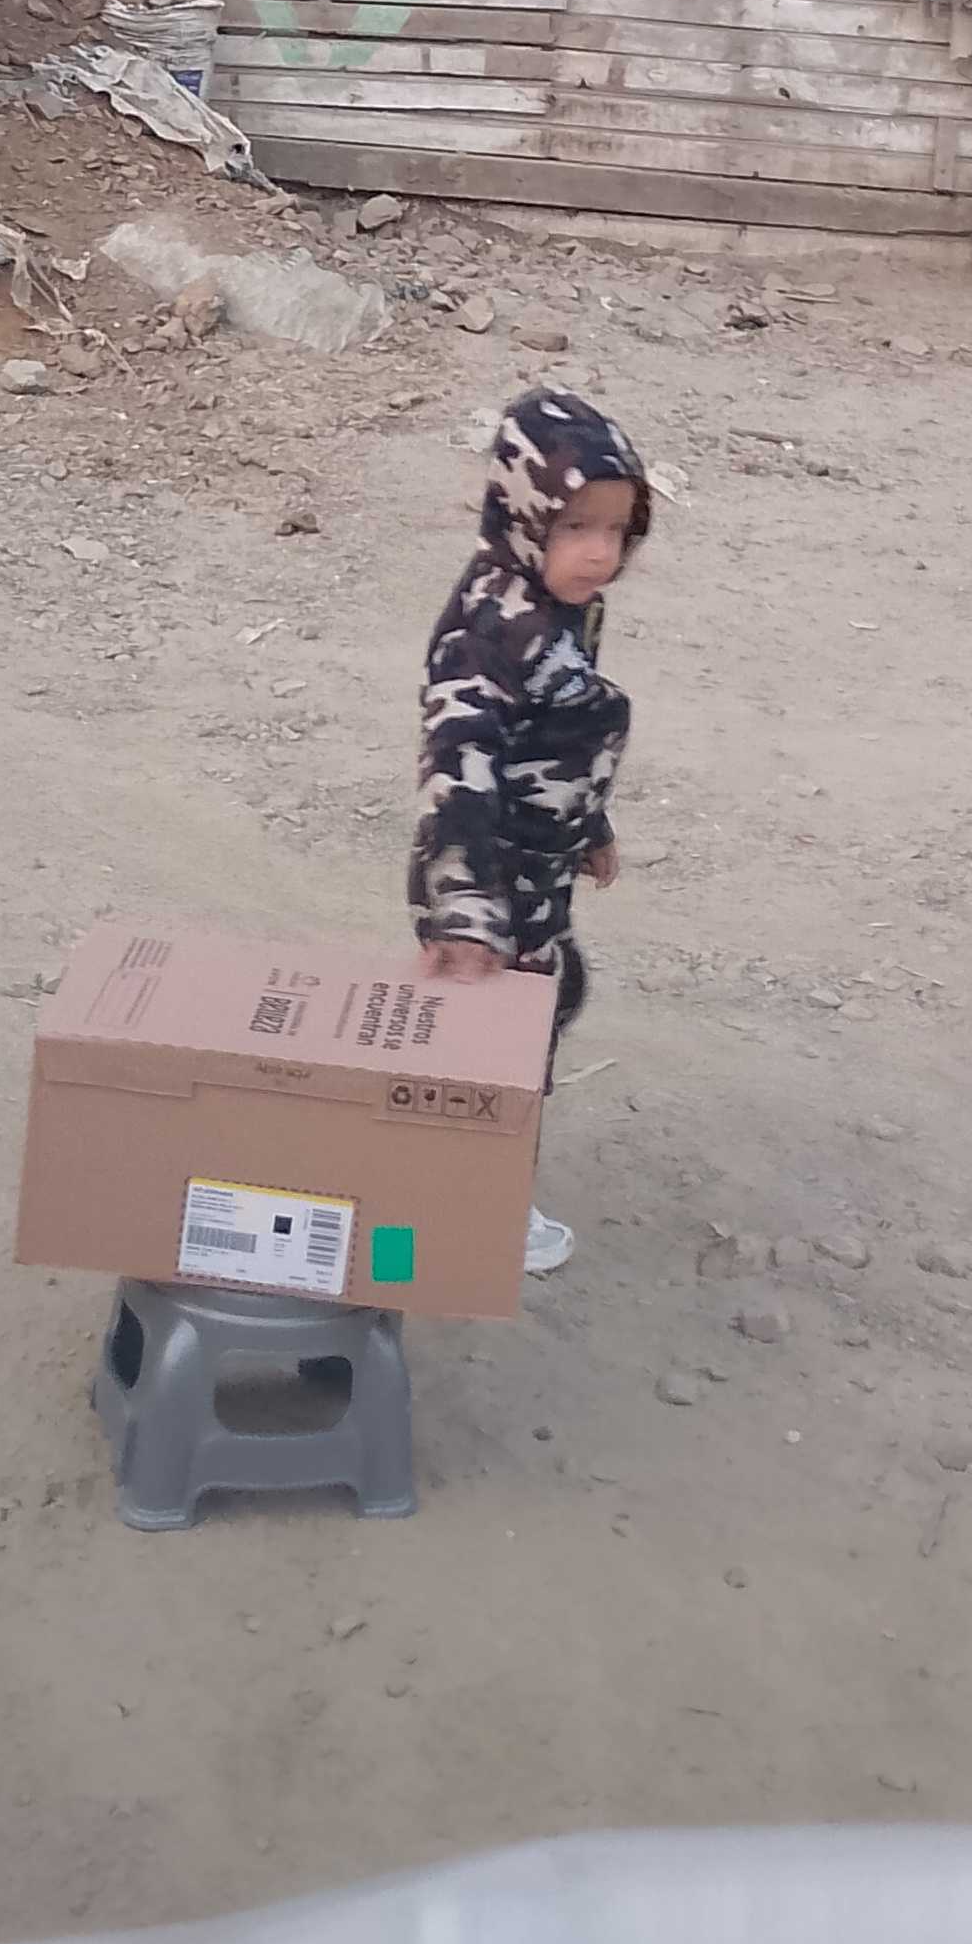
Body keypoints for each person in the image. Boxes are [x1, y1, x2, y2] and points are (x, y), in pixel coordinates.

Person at [409, 387, 651, 1277]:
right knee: (501, 1046)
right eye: (576, 527)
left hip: (539, 866)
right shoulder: (489, 631)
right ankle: (475, 1207)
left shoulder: (562, 608)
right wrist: (467, 912)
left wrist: (590, 823)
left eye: (619, 529)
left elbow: (563, 730)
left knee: (548, 1007)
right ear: (525, 514)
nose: (601, 552)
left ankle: (470, 1181)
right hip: (486, 877)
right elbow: (459, 767)